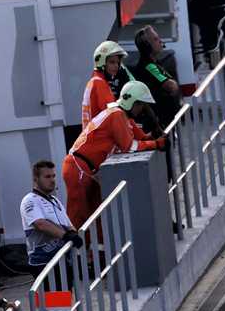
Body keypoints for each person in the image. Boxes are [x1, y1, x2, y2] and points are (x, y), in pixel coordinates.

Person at [63, 81, 167, 232]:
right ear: (132, 102)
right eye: (141, 105)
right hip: (78, 167)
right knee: (79, 217)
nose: (142, 110)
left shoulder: (121, 115)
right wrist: (156, 144)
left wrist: (154, 136)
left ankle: (96, 254)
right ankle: (75, 254)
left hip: (86, 169)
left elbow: (141, 139)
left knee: (96, 217)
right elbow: (129, 147)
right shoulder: (117, 115)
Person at [21, 160, 77, 274]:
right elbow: (40, 224)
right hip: (43, 263)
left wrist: (75, 235)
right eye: (47, 177)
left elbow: (69, 226)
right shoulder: (29, 200)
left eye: (53, 176)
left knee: (66, 292)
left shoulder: (55, 200)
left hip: (62, 260)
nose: (52, 180)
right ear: (36, 179)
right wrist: (66, 235)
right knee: (51, 293)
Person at [131, 25, 183, 133]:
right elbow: (171, 86)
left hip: (163, 121)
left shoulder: (154, 64)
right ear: (147, 46)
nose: (160, 41)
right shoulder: (149, 66)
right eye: (155, 39)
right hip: (156, 124)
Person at [80, 40, 127, 127]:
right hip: (100, 138)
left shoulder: (94, 81)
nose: (116, 66)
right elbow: (113, 113)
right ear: (101, 62)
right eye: (112, 62)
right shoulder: (99, 83)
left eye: (118, 62)